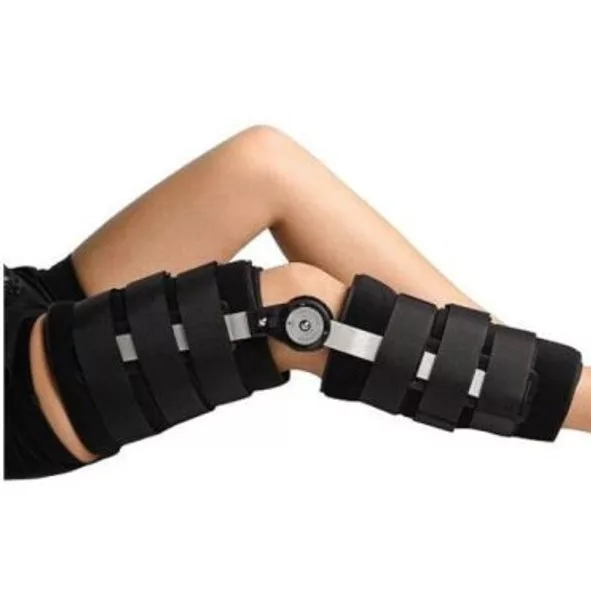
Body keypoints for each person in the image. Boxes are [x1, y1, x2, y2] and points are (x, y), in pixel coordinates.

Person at [5, 125, 589, 479]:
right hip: (16, 391)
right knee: (298, 316)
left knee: (262, 163)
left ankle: (504, 371)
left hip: (24, 298)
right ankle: (533, 389)